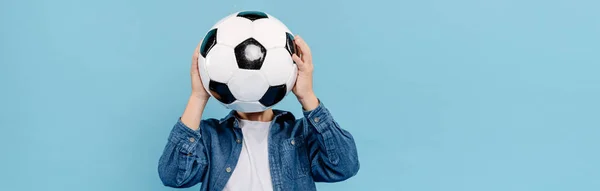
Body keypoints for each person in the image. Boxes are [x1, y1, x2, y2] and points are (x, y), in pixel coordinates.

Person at [158, 35, 359, 191]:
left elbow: (344, 166)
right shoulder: (212, 137)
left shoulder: (299, 134)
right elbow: (173, 175)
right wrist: (198, 96)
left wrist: (307, 96)